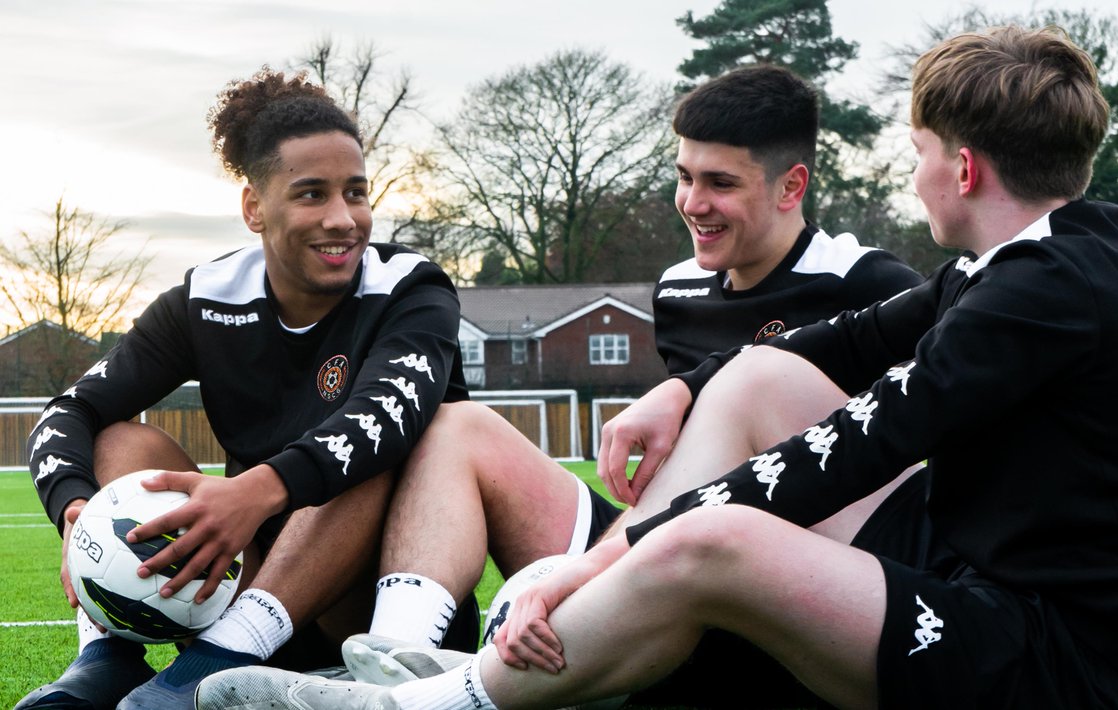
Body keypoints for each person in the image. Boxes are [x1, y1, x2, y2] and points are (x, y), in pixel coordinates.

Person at [199, 24, 1118, 709]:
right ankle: (552, 643)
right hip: (984, 571)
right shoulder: (1039, 259)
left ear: (965, 168)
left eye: (922, 151)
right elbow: (834, 348)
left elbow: (847, 448)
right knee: (753, 381)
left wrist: (590, 562)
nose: (916, 172)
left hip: (1052, 658)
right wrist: (686, 385)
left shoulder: (1046, 293)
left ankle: (447, 696)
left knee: (711, 539)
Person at [332, 63, 923, 675]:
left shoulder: (870, 284)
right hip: (651, 538)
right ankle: (398, 661)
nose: (694, 204)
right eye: (684, 177)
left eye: (720, 183)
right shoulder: (678, 288)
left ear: (790, 186)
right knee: (458, 426)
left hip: (773, 572)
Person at [17, 68, 469, 710]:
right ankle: (107, 657)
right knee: (122, 440)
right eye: (312, 194)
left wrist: (252, 491)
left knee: (378, 452)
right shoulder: (205, 298)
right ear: (255, 207)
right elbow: (69, 412)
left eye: (356, 192)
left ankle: (204, 670)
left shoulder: (410, 288)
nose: (343, 219)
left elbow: (385, 419)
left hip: (373, 618)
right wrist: (77, 512)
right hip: (252, 580)